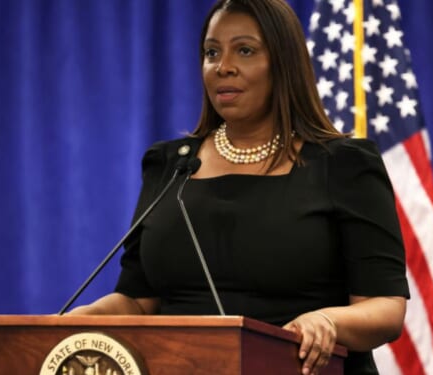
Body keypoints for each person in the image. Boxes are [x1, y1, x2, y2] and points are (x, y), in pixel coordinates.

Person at [68, 0, 410, 374]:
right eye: (211, 52)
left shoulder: (343, 164)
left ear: (283, 64)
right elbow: (137, 301)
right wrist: (72, 324)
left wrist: (327, 321)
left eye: (244, 50)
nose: (223, 66)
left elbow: (385, 307)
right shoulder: (171, 165)